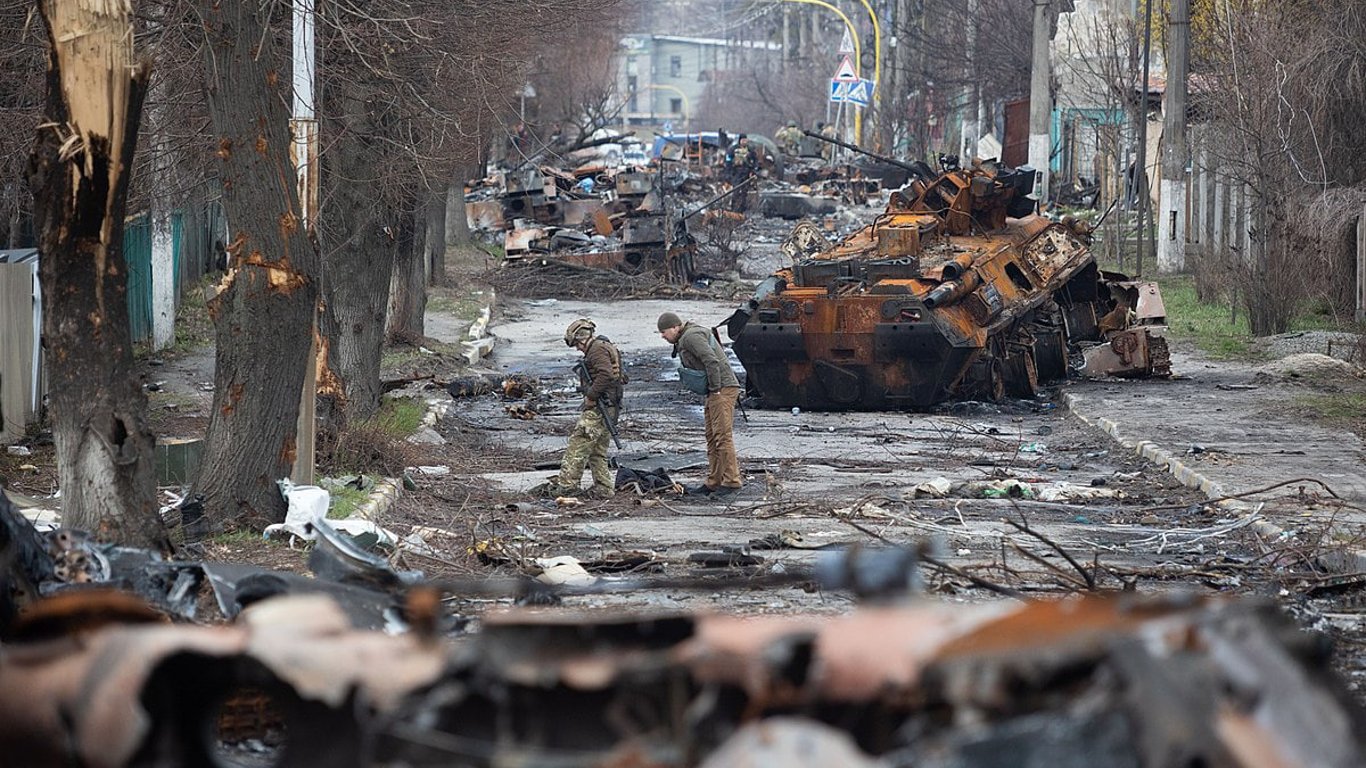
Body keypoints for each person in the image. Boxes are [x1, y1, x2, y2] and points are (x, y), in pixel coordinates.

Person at [657, 312, 742, 499]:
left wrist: (716, 389)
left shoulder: (691, 337)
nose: (663, 336)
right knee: (712, 436)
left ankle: (732, 481)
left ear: (674, 327)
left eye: (664, 332)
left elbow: (711, 360)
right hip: (715, 390)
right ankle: (714, 481)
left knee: (722, 436)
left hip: (722, 389)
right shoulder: (686, 337)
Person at [541, 318, 625, 500]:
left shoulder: (596, 350)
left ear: (583, 338)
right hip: (610, 406)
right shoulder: (603, 346)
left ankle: (567, 487)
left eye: (578, 344)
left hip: (601, 406)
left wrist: (591, 396)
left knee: (577, 445)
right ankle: (603, 488)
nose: (578, 348)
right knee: (597, 451)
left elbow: (606, 374)